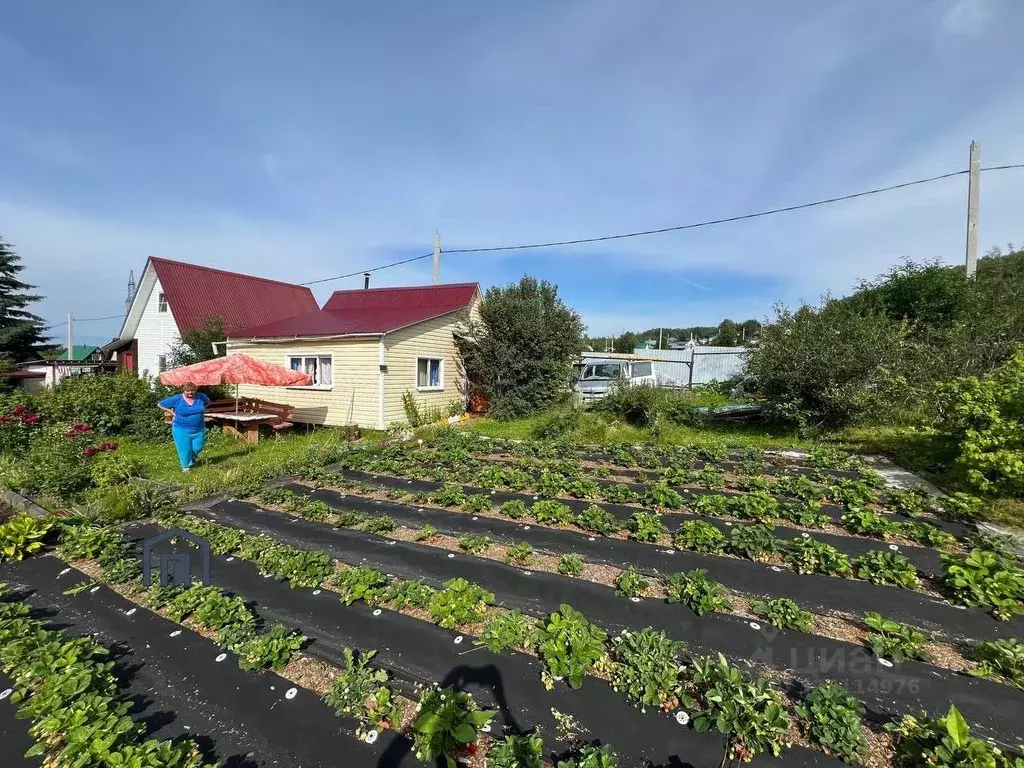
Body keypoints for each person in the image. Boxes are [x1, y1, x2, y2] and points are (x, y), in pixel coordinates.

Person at [158, 382, 211, 472]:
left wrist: (199, 411)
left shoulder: (201, 397)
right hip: (181, 429)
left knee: (198, 447)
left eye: (192, 390)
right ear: (183, 391)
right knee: (184, 449)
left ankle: (191, 457)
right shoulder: (177, 399)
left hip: (199, 428)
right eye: (187, 391)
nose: (190, 392)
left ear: (195, 390)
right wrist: (172, 412)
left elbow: (207, 403)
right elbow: (160, 404)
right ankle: (185, 466)